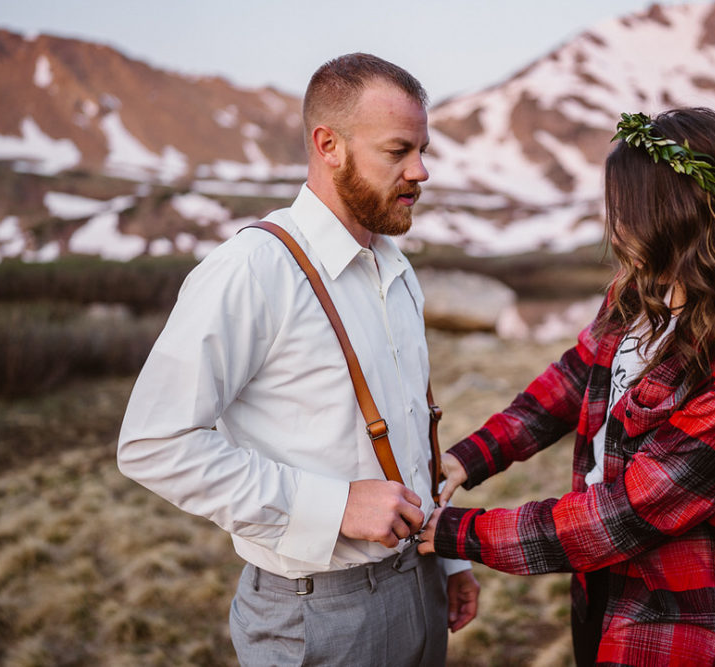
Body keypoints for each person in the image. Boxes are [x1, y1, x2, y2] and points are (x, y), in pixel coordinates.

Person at [118, 53, 478, 666]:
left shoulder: (395, 265)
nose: (421, 170)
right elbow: (154, 443)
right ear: (328, 144)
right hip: (316, 614)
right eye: (398, 151)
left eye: (423, 148)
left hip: (418, 587)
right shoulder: (252, 271)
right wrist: (335, 507)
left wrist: (448, 561)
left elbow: (412, 427)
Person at [418, 108, 715, 666]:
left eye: (626, 210)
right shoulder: (640, 291)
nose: (616, 227)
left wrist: (462, 533)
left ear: (675, 213)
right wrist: (470, 458)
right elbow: (576, 377)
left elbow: (623, 516)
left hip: (672, 610)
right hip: (595, 577)